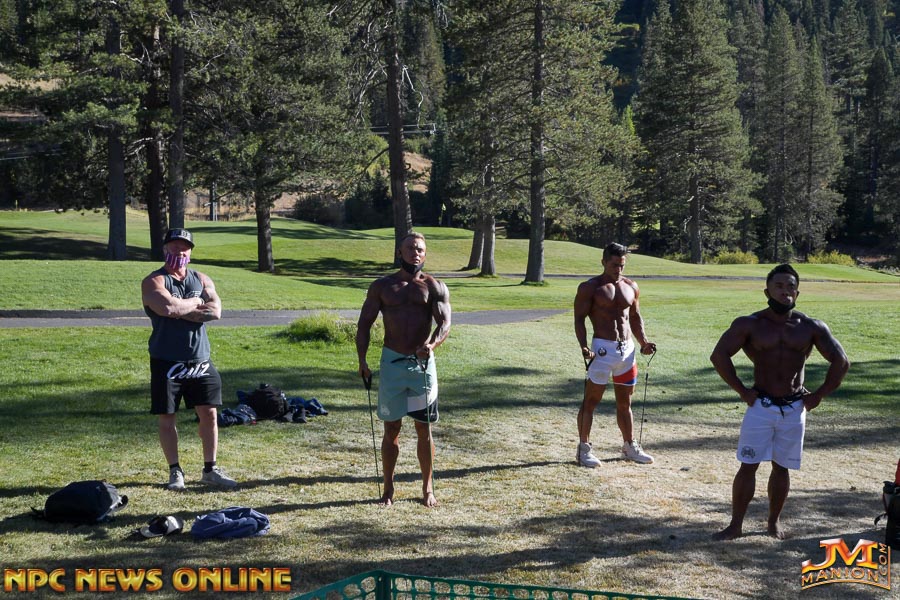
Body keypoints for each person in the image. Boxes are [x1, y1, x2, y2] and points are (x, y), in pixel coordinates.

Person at [710, 263, 849, 540]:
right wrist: (742, 391)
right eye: (779, 286)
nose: (785, 291)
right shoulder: (749, 324)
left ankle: (773, 523)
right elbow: (719, 355)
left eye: (791, 287)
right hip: (760, 405)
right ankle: (735, 525)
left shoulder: (810, 327)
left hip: (794, 407)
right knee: (748, 465)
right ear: (767, 291)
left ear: (797, 293)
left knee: (781, 466)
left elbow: (841, 361)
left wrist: (818, 395)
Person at [356, 232, 451, 508]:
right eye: (410, 248)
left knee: (424, 428)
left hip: (422, 364)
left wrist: (431, 345)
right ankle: (388, 489)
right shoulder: (383, 286)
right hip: (392, 363)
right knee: (391, 428)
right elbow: (364, 324)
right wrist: (362, 361)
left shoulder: (434, 286)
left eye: (420, 249)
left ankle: (428, 489)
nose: (415, 252)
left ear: (425, 254)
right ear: (400, 252)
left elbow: (445, 323)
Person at [141, 228, 237, 491]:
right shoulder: (154, 281)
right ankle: (175, 471)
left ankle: (210, 470)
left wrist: (180, 307)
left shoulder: (202, 278)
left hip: (200, 359)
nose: (179, 252)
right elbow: (167, 307)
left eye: (184, 248)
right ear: (165, 249)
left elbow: (215, 311)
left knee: (210, 414)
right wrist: (195, 302)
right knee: (167, 417)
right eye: (174, 247)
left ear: (190, 252)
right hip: (166, 360)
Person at [573, 242, 657, 468]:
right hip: (601, 350)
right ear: (603, 262)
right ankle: (583, 449)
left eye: (622, 265)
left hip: (626, 351)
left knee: (625, 401)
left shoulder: (631, 286)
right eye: (614, 265)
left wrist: (644, 342)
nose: (618, 269)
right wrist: (583, 346)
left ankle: (629, 446)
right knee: (591, 400)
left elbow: (635, 317)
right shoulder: (590, 287)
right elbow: (579, 319)